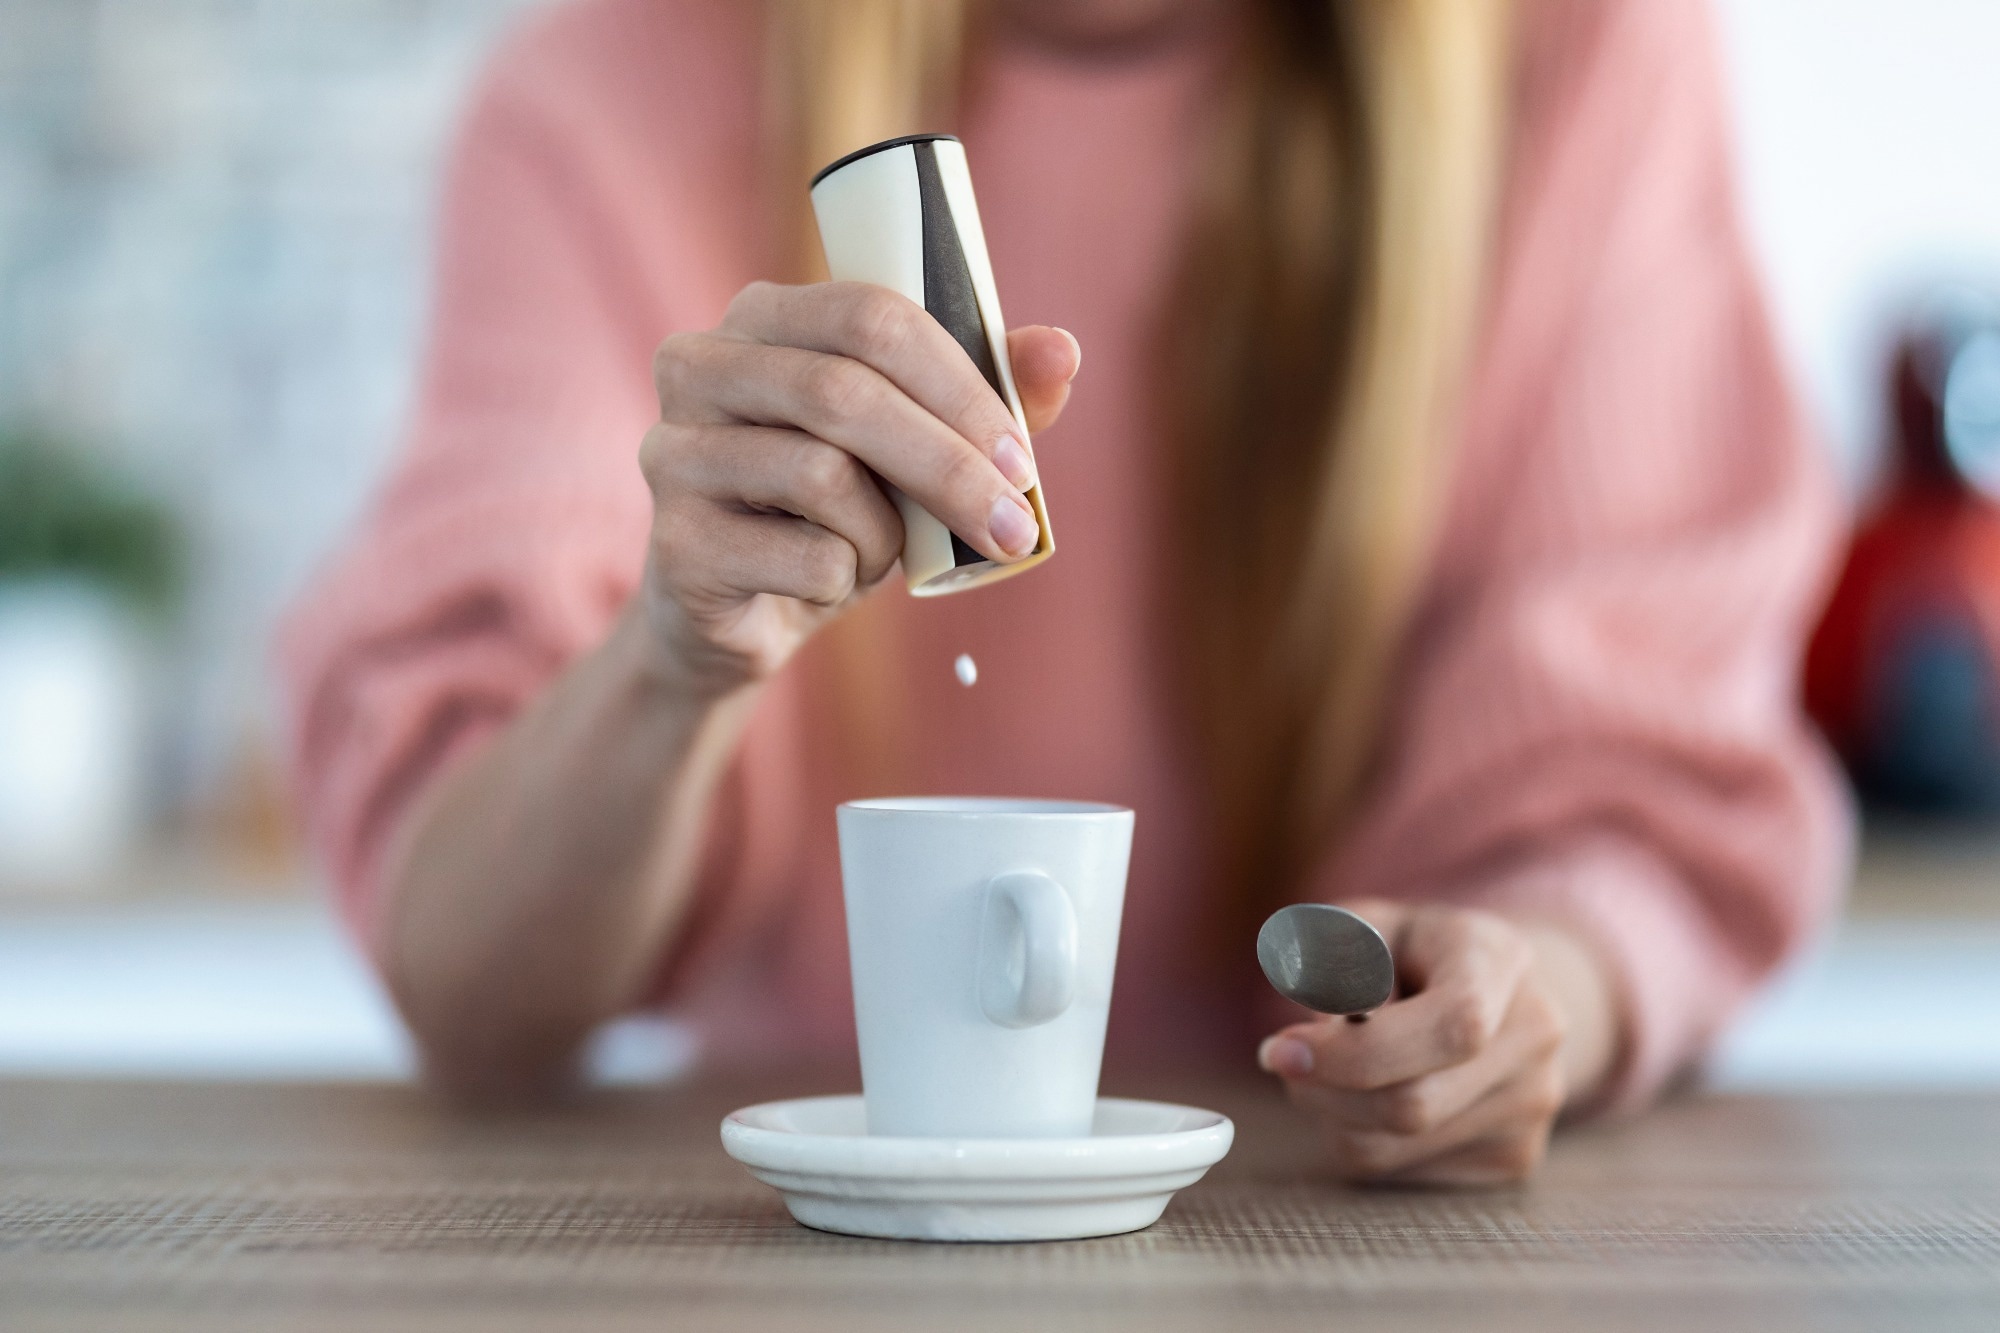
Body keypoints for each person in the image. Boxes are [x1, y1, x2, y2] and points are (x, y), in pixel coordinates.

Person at [282, 0, 1849, 1185]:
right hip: (806, 1232)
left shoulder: (1576, 61)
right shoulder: (612, 91)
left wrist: (1520, 999)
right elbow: (472, 980)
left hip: (1343, 1226)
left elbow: (1633, 800)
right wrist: (669, 658)